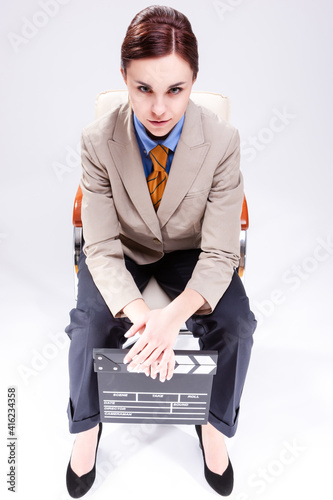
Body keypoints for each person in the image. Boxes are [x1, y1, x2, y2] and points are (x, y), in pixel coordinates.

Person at [65, 5, 257, 498]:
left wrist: (171, 318)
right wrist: (140, 315)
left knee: (236, 323)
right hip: (122, 249)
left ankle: (214, 426)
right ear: (124, 78)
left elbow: (219, 253)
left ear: (193, 80)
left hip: (191, 252)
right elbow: (101, 246)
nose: (159, 109)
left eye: (175, 89)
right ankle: (87, 428)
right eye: (143, 89)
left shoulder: (223, 142)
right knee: (89, 323)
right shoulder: (96, 140)